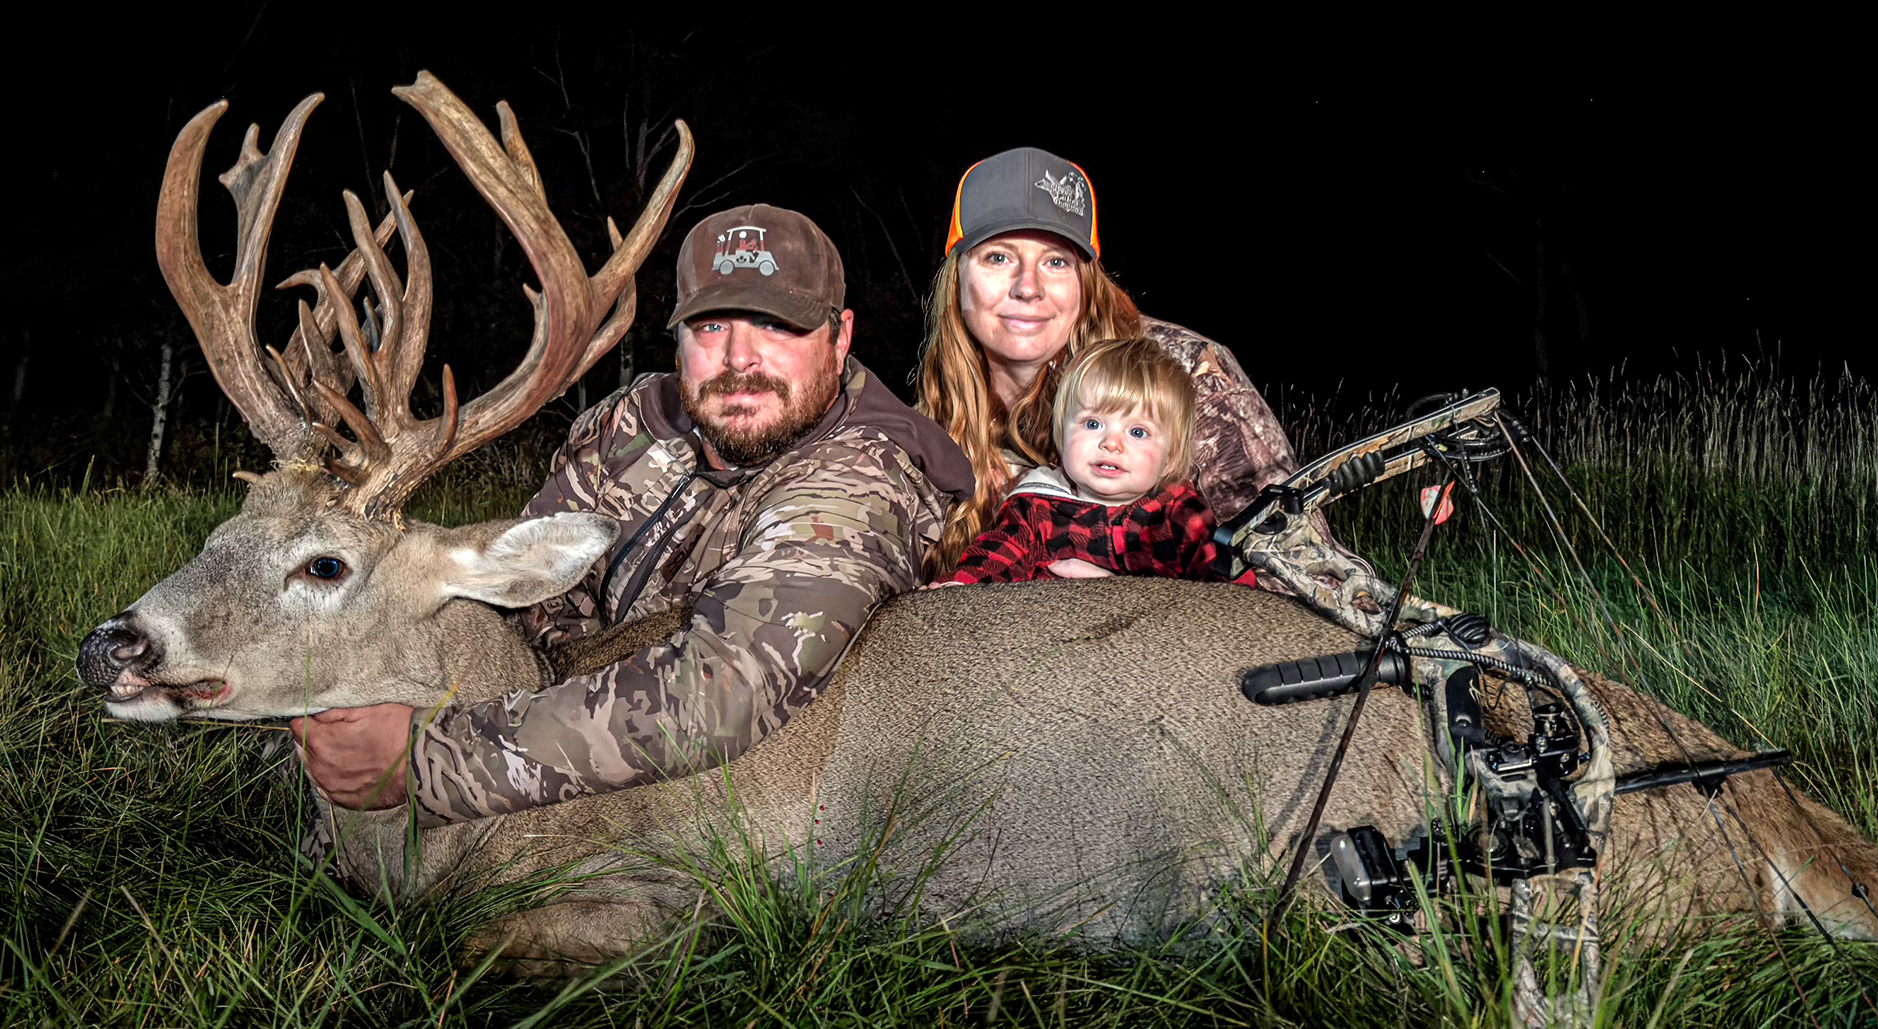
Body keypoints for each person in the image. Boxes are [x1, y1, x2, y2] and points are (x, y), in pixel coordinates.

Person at [292, 204, 975, 821]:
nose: (741, 359)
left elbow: (723, 690)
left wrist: (421, 761)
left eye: (776, 324)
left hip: (758, 803)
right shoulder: (629, 426)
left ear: (839, 335)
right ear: (678, 337)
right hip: (579, 752)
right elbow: (526, 609)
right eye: (712, 325)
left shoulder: (865, 479)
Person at [916, 146, 1369, 582]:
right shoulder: (931, 419)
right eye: (998, 257)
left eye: (1056, 261)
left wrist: (1130, 599)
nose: (1027, 287)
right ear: (956, 278)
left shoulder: (1181, 373)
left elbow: (1300, 575)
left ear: (1085, 281)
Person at [943, 337, 1254, 587]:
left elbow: (1228, 599)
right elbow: (993, 559)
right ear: (1062, 433)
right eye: (1093, 424)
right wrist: (961, 587)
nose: (1111, 443)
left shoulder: (1180, 516)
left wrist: (1118, 593)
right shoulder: (1035, 507)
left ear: (1170, 454)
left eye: (1137, 431)